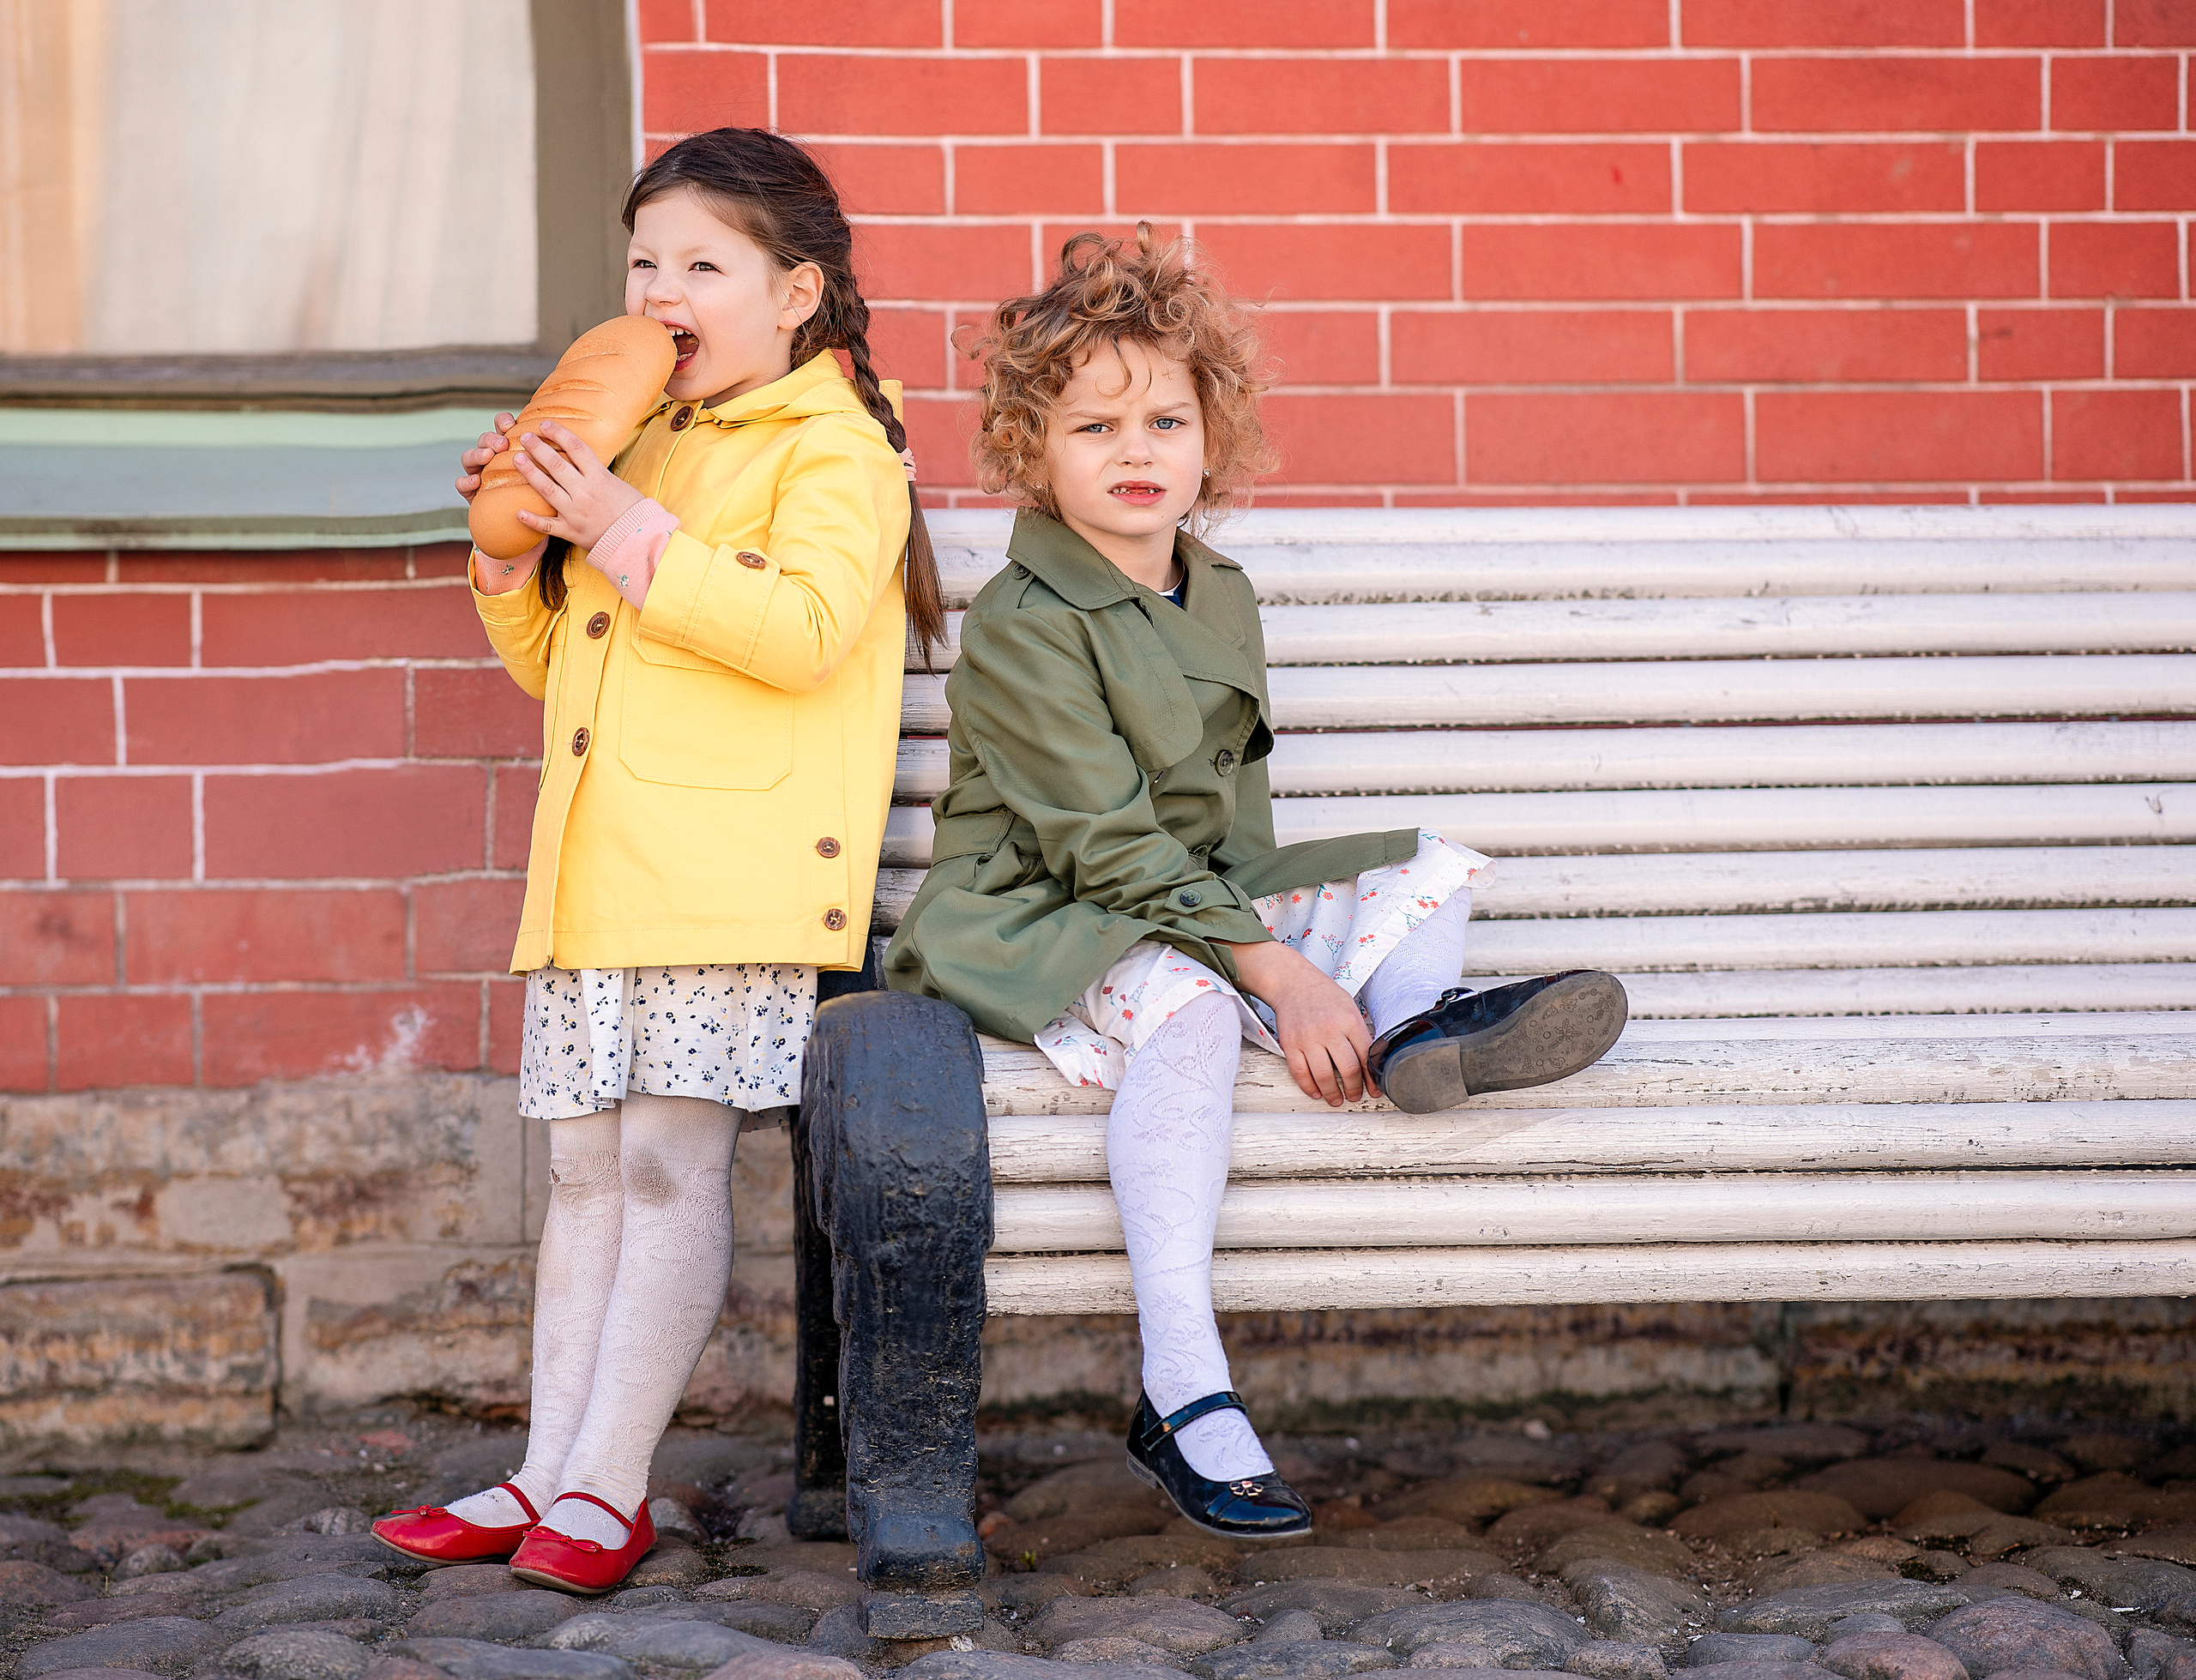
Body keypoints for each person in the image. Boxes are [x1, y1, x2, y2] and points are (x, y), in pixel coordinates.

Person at [884, 226, 1626, 1539]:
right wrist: (1273, 966)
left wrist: (1293, 934)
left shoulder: (1219, 591)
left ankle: (1403, 1037)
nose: (1136, 450)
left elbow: (1233, 827)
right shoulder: (1021, 621)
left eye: (1167, 418)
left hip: (1176, 899)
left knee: (1427, 865)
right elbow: (1104, 849)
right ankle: (1182, 1389)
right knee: (1187, 1002)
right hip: (1037, 921)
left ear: (1210, 438)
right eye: (1094, 425)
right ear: (1030, 451)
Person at [371, 129, 938, 1595]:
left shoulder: (841, 451)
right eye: (643, 261)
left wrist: (622, 525)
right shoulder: (646, 434)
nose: (660, 287)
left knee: (671, 1176)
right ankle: (544, 1470)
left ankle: (608, 1490)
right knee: (582, 1185)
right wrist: (511, 558)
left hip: (732, 877)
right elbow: (561, 661)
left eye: (703, 263)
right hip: (601, 870)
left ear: (797, 290)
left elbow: (803, 630)